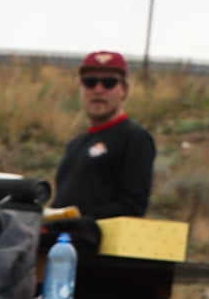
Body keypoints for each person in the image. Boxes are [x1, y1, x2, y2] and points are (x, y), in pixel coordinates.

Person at [50, 50, 155, 222]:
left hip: (98, 244)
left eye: (109, 83)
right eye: (90, 82)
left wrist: (78, 219)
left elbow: (133, 207)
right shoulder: (76, 144)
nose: (98, 90)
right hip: (62, 242)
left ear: (124, 90)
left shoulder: (134, 138)